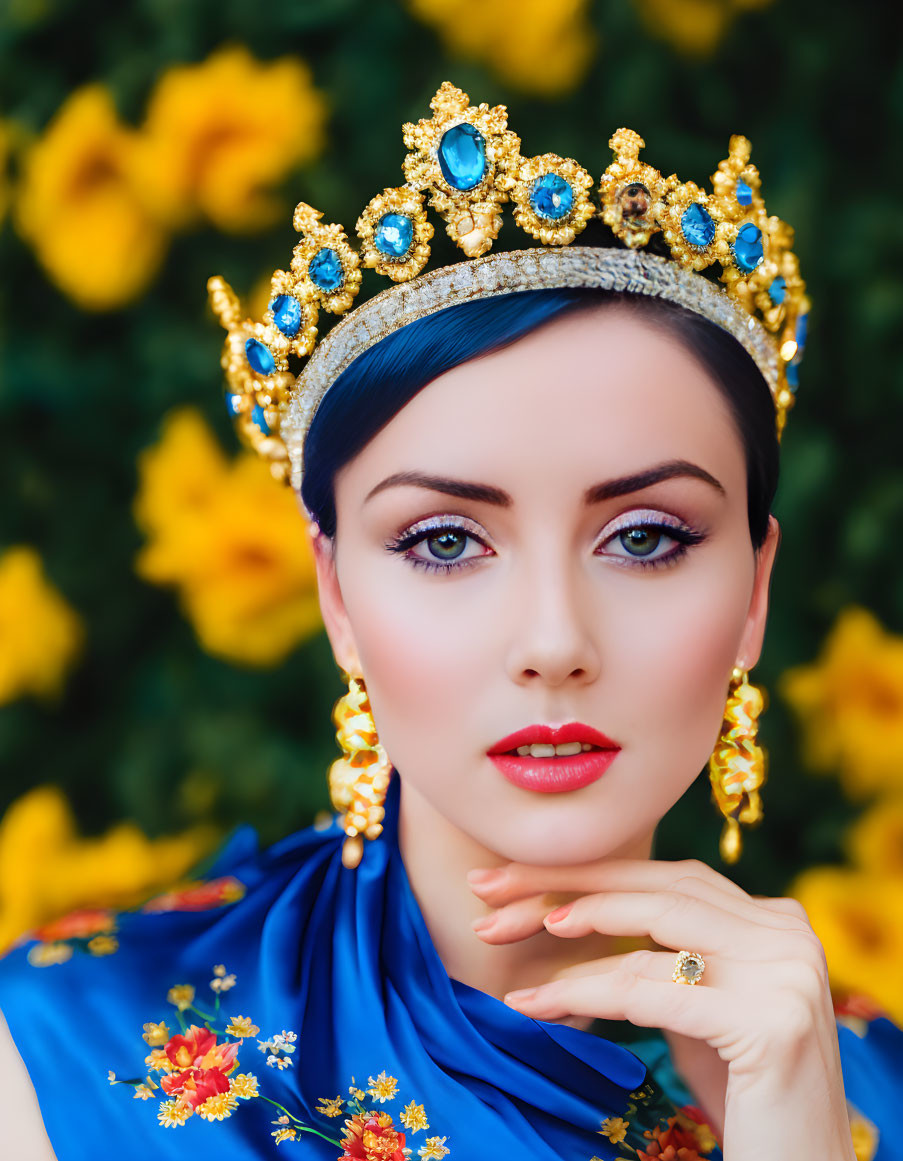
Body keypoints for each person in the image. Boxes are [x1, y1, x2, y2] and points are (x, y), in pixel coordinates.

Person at [0, 81, 899, 1161]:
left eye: (648, 536)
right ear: (336, 596)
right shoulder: (63, 1061)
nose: (555, 644)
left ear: (754, 593)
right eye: (444, 542)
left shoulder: (869, 1089)